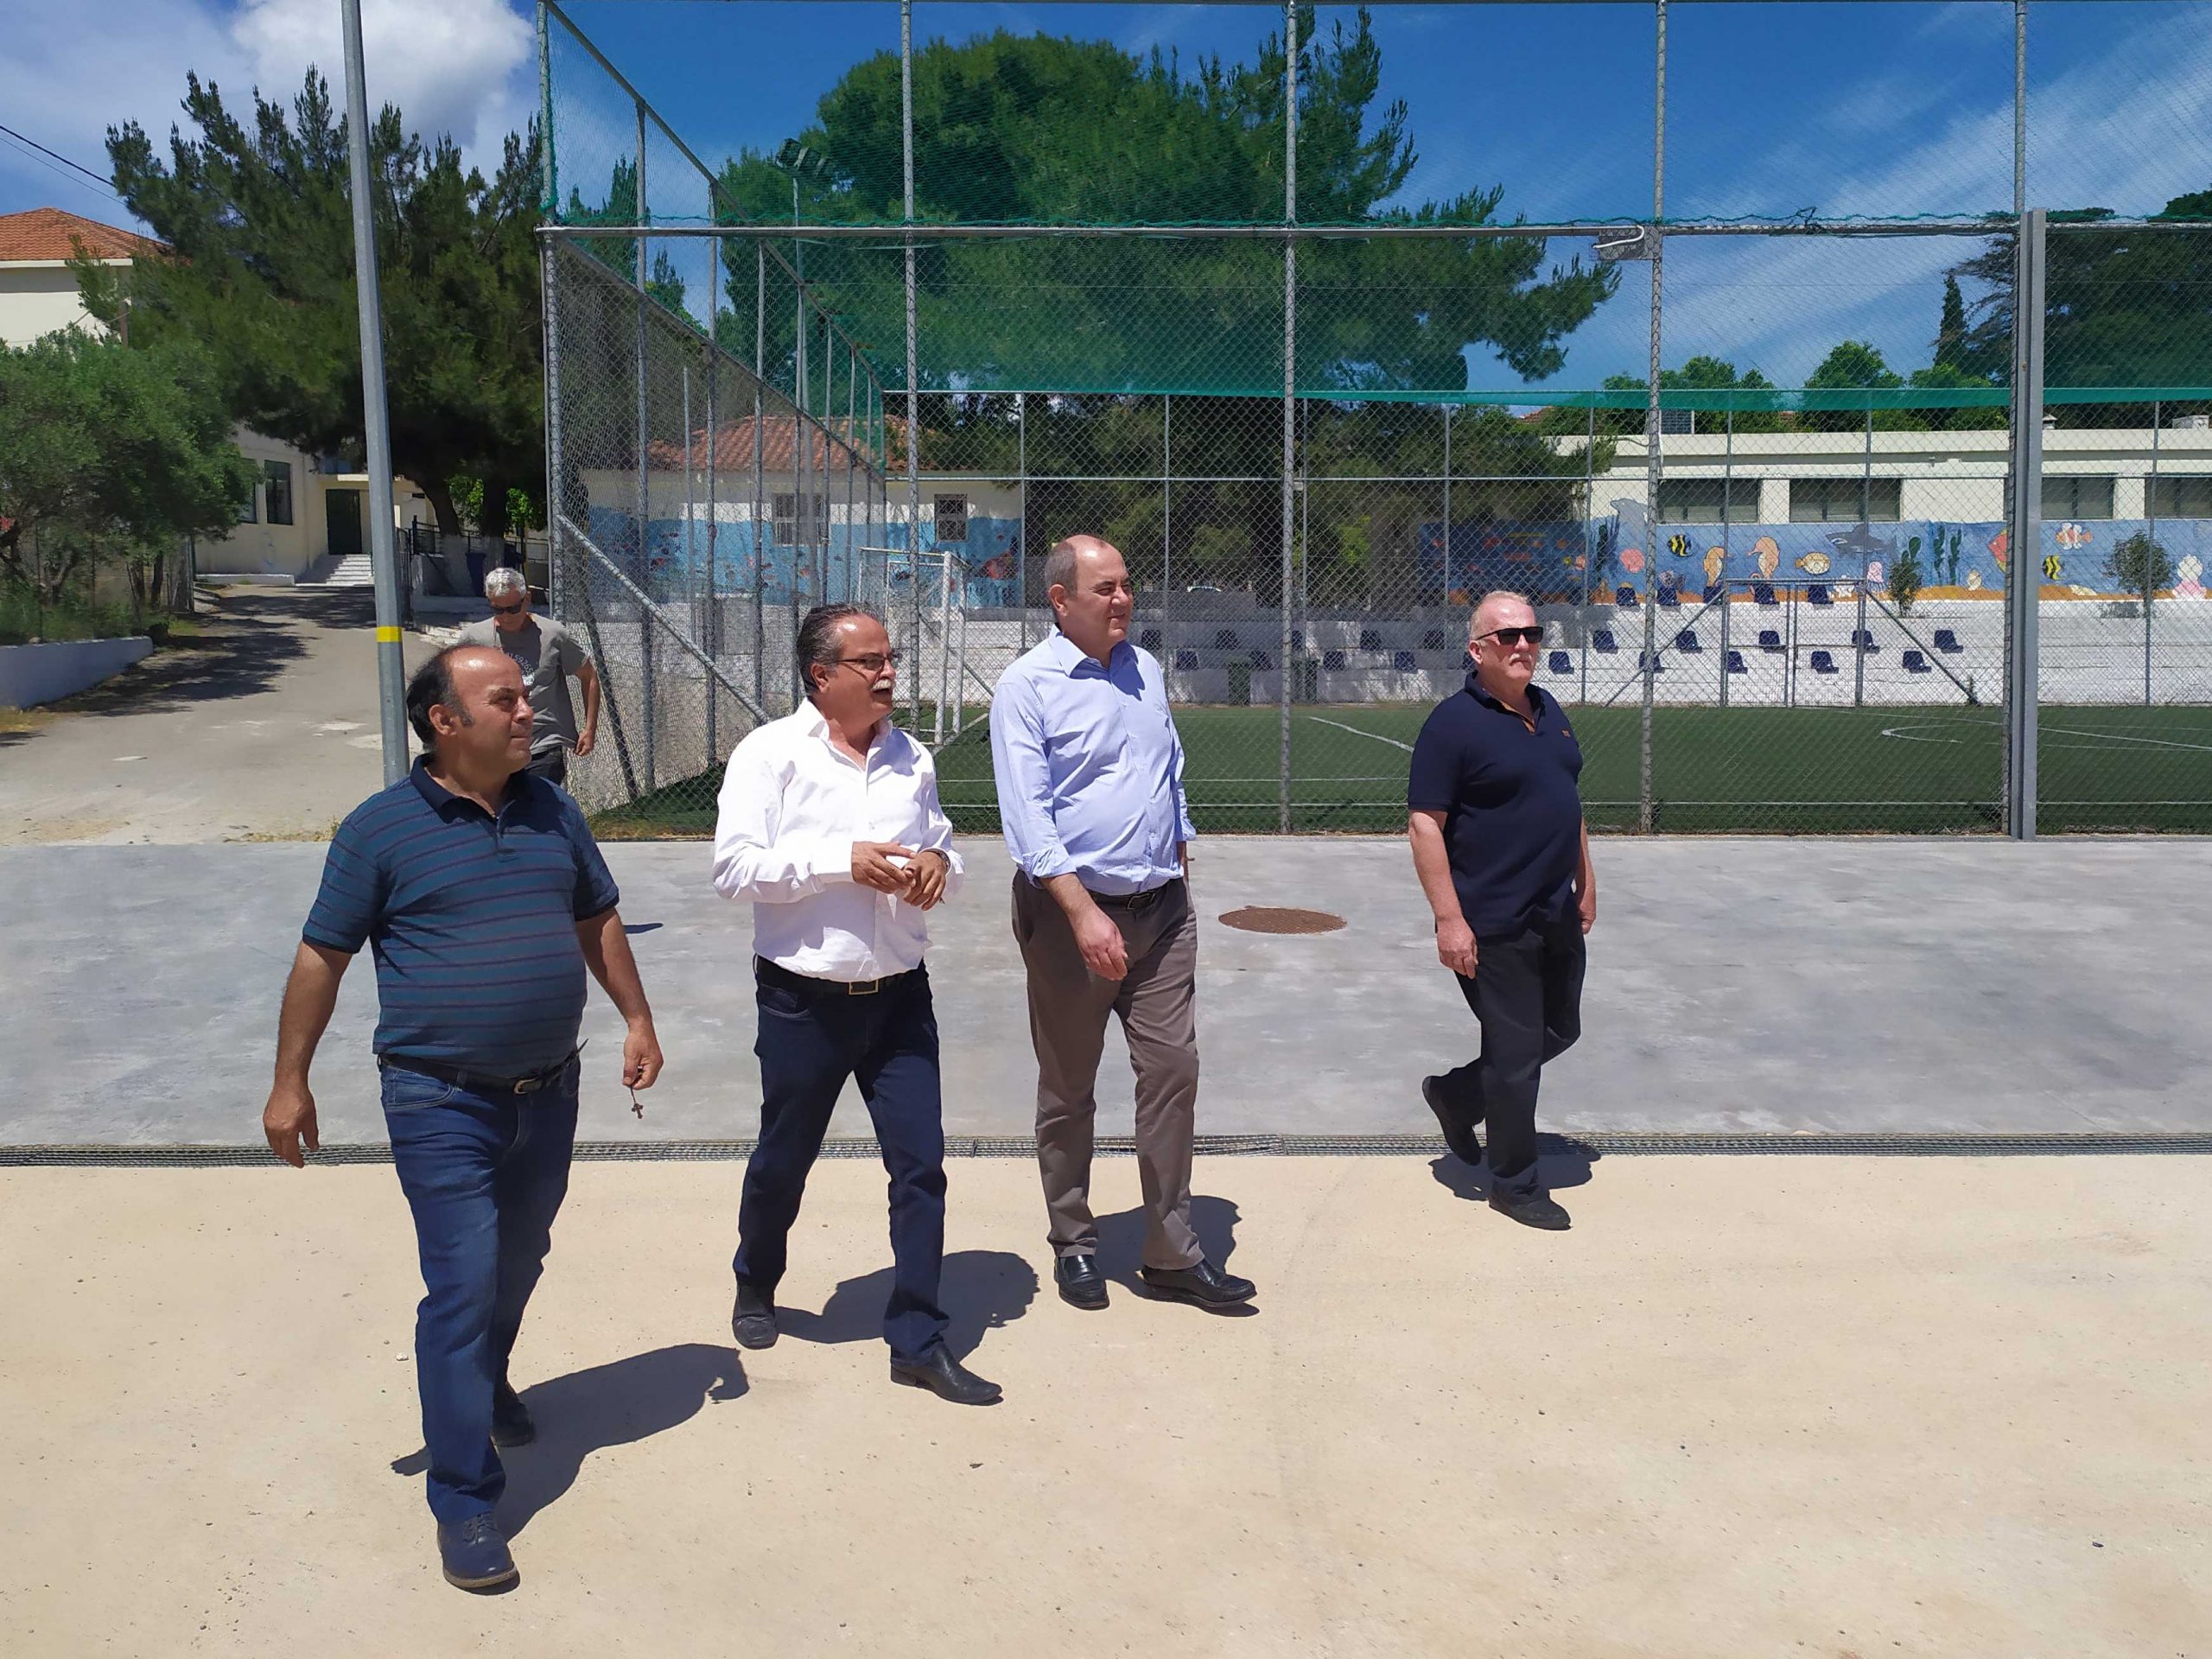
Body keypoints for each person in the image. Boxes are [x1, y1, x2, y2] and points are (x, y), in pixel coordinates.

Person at [261, 643, 664, 1592]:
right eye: (506, 700)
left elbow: (596, 917)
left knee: (518, 1262)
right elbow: (323, 956)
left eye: (526, 697)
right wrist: (290, 1082)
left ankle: (482, 1380)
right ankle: (464, 1499)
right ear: (445, 722)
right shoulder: (379, 830)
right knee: (462, 1284)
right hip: (437, 1099)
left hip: (549, 1091)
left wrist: (638, 1018)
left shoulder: (553, 809)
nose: (529, 712)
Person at [709, 604, 999, 1407]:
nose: (888, 673)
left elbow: (942, 844)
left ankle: (917, 1339)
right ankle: (756, 1277)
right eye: (870, 661)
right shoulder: (770, 754)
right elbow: (734, 870)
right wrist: (842, 862)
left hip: (901, 997)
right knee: (783, 1160)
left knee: (921, 1168)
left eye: (889, 658)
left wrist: (940, 864)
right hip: (803, 1001)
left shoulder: (912, 758)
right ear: (821, 675)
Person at [989, 535, 1254, 1313]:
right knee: (1069, 1087)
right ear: (1060, 600)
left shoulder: (1144, 669)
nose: (1122, 599)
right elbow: (1028, 819)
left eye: (1126, 585)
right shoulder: (1026, 687)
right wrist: (1082, 914)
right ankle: (1074, 1241)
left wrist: (1179, 850)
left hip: (1162, 912)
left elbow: (1167, 770)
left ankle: (1172, 1253)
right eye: (1104, 588)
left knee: (1173, 1071)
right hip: (1070, 919)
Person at [1408, 590, 1596, 1231]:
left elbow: (1566, 800)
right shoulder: (1453, 725)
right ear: (1476, 649)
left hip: (1554, 910)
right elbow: (1425, 826)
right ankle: (1515, 1183)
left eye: (1531, 635)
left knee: (1560, 1029)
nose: (1522, 645)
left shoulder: (1549, 710)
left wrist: (1586, 880)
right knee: (1514, 1056)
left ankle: (1457, 1094)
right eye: (1507, 636)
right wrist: (1449, 920)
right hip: (1492, 919)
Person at [457, 566, 600, 785]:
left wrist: (589, 730)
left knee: (538, 805)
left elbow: (589, 677)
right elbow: (455, 685)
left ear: (527, 599)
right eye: (498, 609)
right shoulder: (474, 638)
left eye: (513, 609)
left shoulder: (553, 635)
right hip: (492, 747)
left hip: (542, 744)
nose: (506, 617)